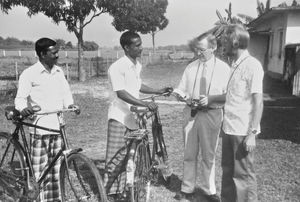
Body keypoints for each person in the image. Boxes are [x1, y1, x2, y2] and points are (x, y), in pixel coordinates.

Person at [104, 31, 172, 199]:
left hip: (133, 118)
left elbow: (138, 85)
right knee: (115, 158)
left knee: (130, 156)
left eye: (141, 44)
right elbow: (121, 93)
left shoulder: (136, 65)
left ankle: (123, 190)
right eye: (137, 45)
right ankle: (105, 192)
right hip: (119, 117)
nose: (141, 48)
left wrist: (158, 90)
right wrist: (144, 104)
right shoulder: (117, 67)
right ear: (126, 47)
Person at [15, 37, 78, 202]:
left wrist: (71, 105)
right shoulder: (29, 74)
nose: (57, 55)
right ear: (42, 54)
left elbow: (66, 93)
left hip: (57, 126)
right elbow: (20, 98)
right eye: (53, 52)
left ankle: (54, 198)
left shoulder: (58, 71)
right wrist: (23, 109)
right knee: (40, 171)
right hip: (40, 127)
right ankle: (39, 198)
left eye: (57, 52)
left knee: (56, 168)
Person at [173, 32, 230, 202]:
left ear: (214, 48)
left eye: (202, 50)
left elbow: (230, 95)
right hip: (190, 115)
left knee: (208, 155)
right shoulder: (190, 67)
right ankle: (187, 187)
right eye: (197, 50)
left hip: (212, 115)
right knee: (189, 153)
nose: (199, 53)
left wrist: (211, 99)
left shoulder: (224, 69)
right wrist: (180, 95)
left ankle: (208, 190)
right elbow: (181, 88)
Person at [221, 24, 264, 202]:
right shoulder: (234, 65)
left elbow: (258, 102)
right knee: (228, 172)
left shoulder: (252, 65)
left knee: (243, 176)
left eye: (225, 42)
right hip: (229, 128)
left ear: (235, 43)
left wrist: (252, 133)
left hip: (242, 130)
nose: (223, 45)